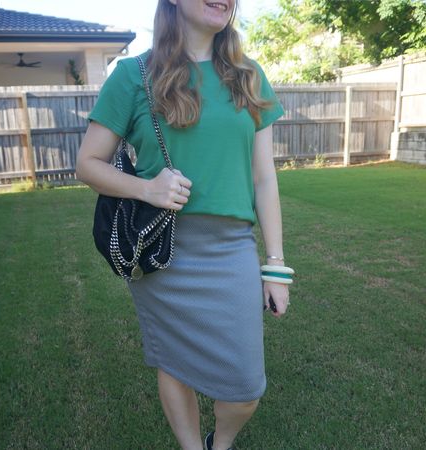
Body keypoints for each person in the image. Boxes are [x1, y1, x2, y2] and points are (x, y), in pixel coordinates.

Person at [76, 1, 290, 449]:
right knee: (173, 362)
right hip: (162, 252)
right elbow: (87, 164)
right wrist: (147, 189)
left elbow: (264, 177)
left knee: (246, 389)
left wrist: (275, 265)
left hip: (231, 249)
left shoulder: (248, 75)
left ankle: (221, 439)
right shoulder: (133, 75)